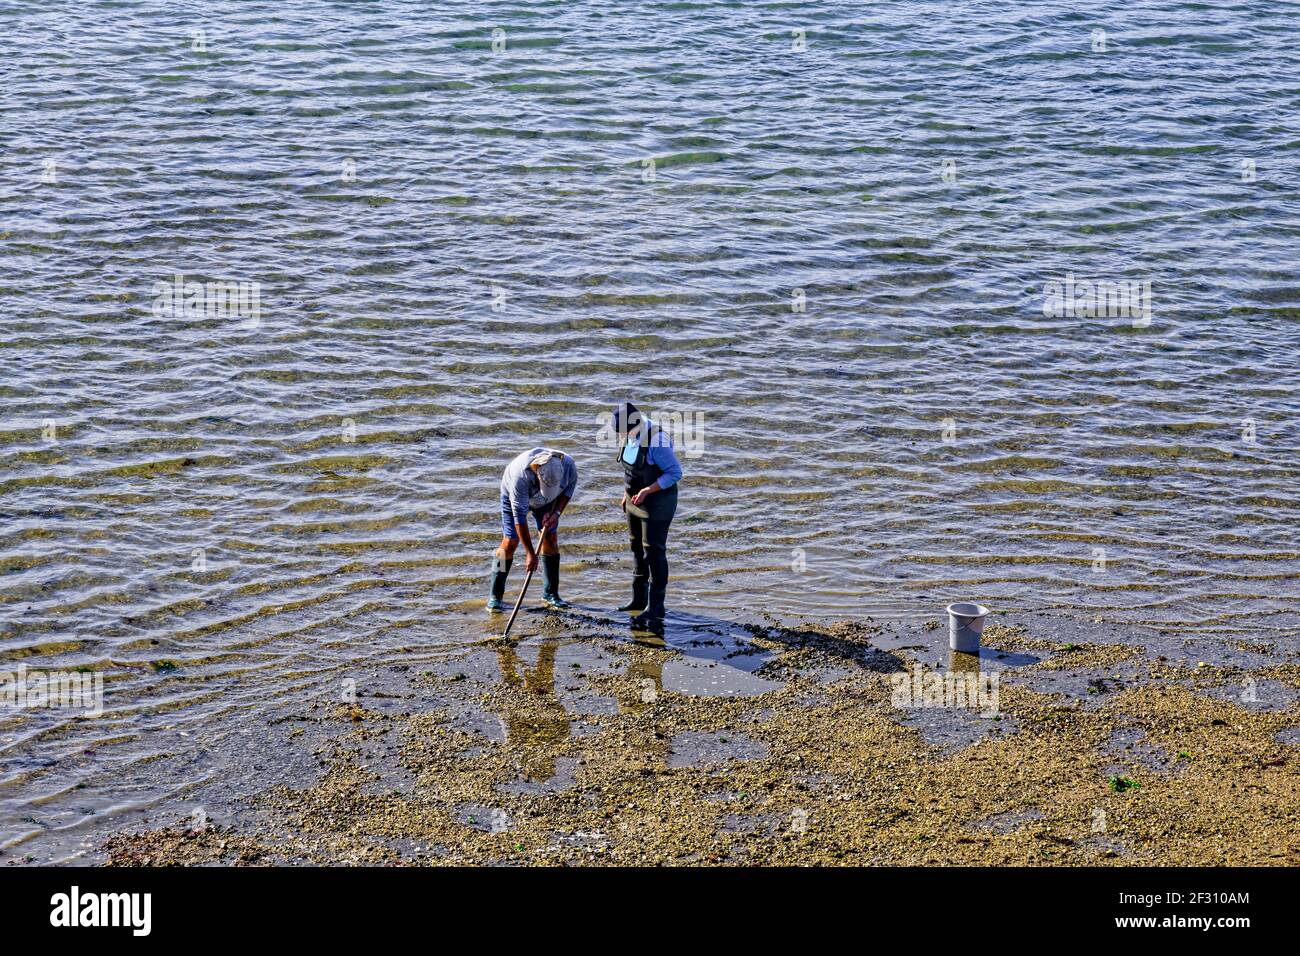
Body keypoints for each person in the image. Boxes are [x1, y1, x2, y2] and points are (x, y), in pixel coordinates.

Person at [611, 402, 682, 627]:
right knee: (636, 547)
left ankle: (655, 607)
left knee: (653, 552)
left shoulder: (657, 441)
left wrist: (648, 490)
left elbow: (675, 473)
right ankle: (638, 599)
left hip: (657, 502)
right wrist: (626, 493)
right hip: (634, 499)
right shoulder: (628, 434)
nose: (621, 436)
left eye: (622, 431)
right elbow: (631, 468)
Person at [488, 448, 577, 612]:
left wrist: (556, 513)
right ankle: (495, 595)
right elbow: (519, 519)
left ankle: (550, 594)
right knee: (510, 542)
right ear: (537, 473)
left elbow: (568, 491)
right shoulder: (519, 478)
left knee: (550, 538)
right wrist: (530, 553)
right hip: (512, 495)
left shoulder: (569, 465)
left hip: (549, 501)